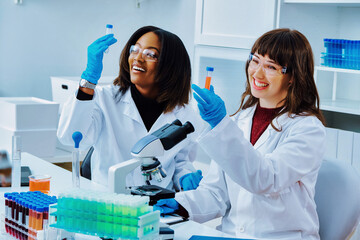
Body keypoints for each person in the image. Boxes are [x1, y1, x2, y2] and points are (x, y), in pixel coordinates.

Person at [154, 28, 327, 239]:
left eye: (271, 67)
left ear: (292, 76)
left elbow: (265, 179)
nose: (257, 73)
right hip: (231, 235)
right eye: (255, 61)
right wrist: (180, 203)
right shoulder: (239, 120)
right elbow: (216, 193)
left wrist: (220, 125)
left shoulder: (308, 129)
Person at [57, 26, 204, 191]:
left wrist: (185, 177)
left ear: (171, 66)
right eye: (135, 50)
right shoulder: (105, 99)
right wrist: (88, 82)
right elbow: (71, 138)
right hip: (108, 200)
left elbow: (180, 162)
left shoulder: (186, 115)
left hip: (158, 206)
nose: (137, 59)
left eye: (150, 54)